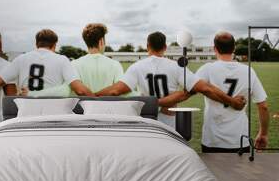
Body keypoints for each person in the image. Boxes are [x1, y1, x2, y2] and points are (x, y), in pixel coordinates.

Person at [96, 31, 246, 128]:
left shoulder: (137, 67)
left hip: (146, 120)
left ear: (148, 46)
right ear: (165, 47)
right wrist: (232, 101)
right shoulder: (176, 67)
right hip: (170, 122)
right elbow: (205, 88)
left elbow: (115, 91)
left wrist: (91, 96)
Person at [0, 29, 94, 112]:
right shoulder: (62, 59)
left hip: (27, 113)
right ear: (54, 45)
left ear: (36, 44)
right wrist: (100, 101)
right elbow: (80, 90)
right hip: (54, 113)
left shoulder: (21, 59)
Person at [196, 32, 269, 152]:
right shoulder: (248, 71)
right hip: (240, 140)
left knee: (213, 171)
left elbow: (192, 88)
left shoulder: (207, 69)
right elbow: (263, 106)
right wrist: (263, 134)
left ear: (215, 48)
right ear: (234, 48)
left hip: (212, 140)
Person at [28, 23, 127, 96]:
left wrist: (32, 94)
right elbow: (120, 90)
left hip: (83, 115)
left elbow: (63, 91)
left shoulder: (74, 64)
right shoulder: (115, 64)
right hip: (109, 114)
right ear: (101, 41)